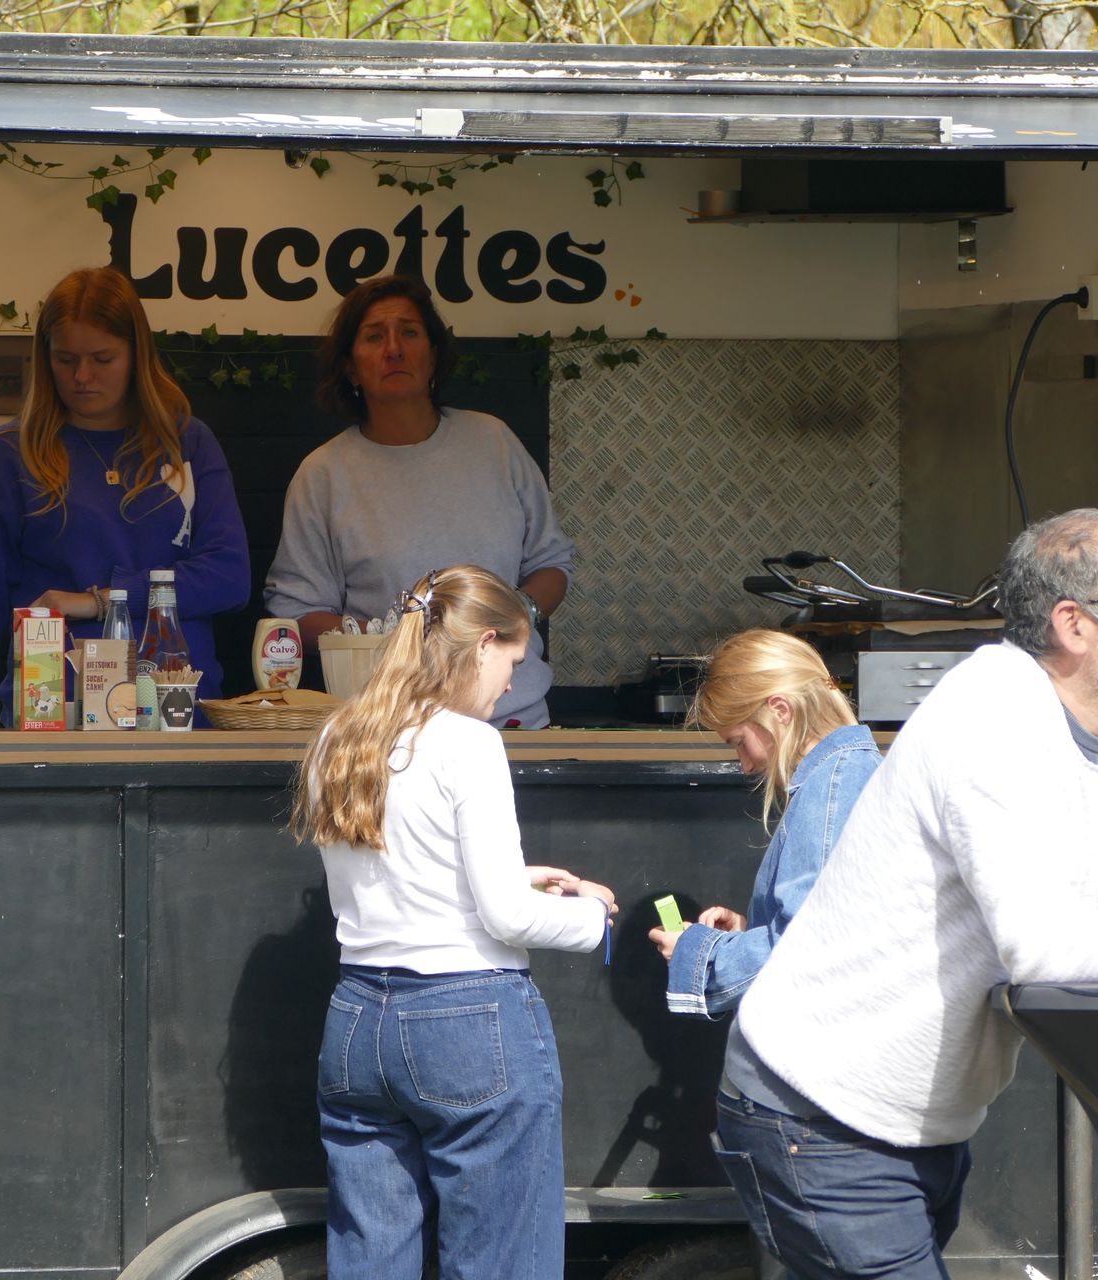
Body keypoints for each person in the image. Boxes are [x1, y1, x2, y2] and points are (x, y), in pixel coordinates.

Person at [710, 508, 1098, 1280]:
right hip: (815, 1117)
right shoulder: (989, 716)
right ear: (1073, 624)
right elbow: (1042, 948)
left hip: (915, 1126)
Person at [291, 565, 616, 1279]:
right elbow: (506, 916)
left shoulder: (339, 734)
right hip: (467, 1023)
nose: (510, 685)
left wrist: (519, 874)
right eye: (512, 663)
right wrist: (592, 917)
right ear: (483, 644)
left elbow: (386, 873)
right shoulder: (469, 742)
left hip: (357, 1022)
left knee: (370, 1259)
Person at [0, 266, 249, 718]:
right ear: (44, 358)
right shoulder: (9, 453)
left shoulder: (187, 442)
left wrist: (100, 600)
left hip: (175, 710)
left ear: (137, 355)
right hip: (51, 714)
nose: (82, 376)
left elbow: (229, 577)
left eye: (102, 359)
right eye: (65, 359)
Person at [264, 275, 574, 728]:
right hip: (386, 731)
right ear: (350, 368)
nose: (394, 349)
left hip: (513, 722)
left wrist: (515, 616)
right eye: (374, 337)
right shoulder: (323, 474)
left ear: (433, 356)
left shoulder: (494, 441)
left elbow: (552, 563)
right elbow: (296, 613)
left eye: (409, 332)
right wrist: (391, 637)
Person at [648, 629, 879, 1019]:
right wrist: (745, 935)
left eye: (739, 741)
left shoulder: (832, 789)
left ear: (781, 710)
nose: (744, 765)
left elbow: (807, 950)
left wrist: (700, 955)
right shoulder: (846, 776)